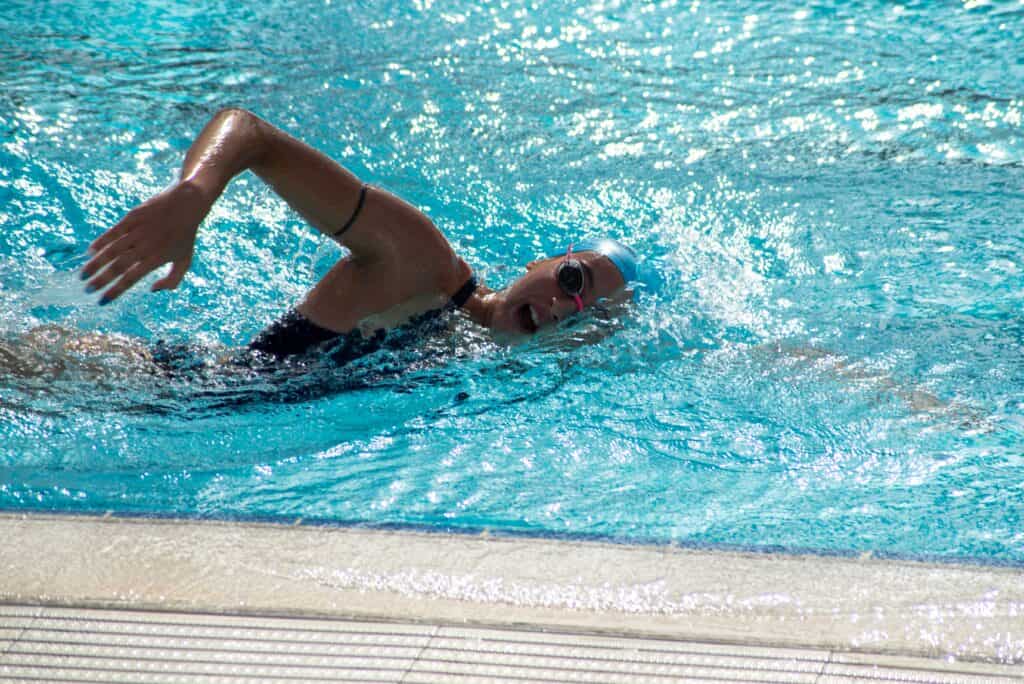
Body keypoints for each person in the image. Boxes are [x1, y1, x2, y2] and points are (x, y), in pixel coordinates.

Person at [79, 108, 648, 365]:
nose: (557, 308)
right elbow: (250, 133)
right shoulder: (421, 261)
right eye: (572, 279)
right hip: (141, 383)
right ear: (546, 259)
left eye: (581, 316)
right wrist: (195, 195)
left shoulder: (469, 358)